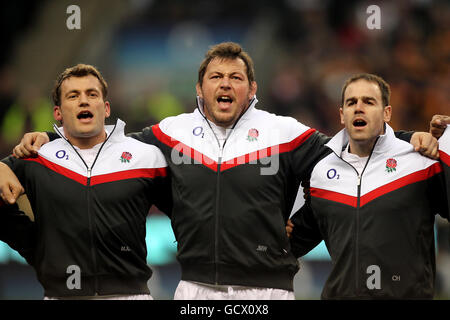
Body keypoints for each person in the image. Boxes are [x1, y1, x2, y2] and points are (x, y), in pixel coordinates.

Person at [4, 43, 442, 300]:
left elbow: (350, 150)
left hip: (266, 293)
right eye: (216, 76)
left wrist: (406, 139)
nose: (225, 84)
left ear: (252, 89)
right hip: (194, 291)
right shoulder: (168, 134)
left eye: (236, 77)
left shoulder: (286, 133)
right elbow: (97, 145)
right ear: (200, 88)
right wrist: (41, 141)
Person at [0, 64, 171, 299]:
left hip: (130, 295)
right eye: (73, 96)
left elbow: (186, 209)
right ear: (58, 113)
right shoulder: (35, 158)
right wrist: (34, 246)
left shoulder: (145, 156)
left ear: (106, 108)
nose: (84, 101)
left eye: (92, 94)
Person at [289, 73, 449, 299]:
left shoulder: (421, 161)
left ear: (387, 113)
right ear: (342, 115)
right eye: (351, 102)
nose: (359, 108)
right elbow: (295, 240)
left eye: (369, 101)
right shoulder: (321, 172)